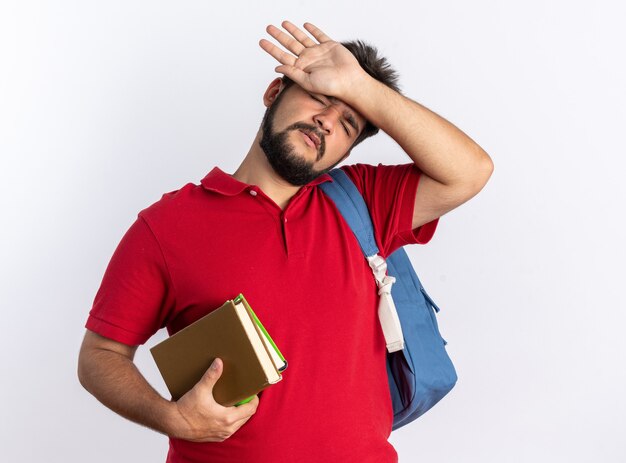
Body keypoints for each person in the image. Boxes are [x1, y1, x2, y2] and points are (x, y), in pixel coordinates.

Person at [78, 21, 493, 463]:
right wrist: (171, 418)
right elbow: (99, 356)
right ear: (274, 93)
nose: (327, 122)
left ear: (347, 152)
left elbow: (470, 171)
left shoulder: (365, 202)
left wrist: (358, 85)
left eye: (348, 123)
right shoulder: (165, 226)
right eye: (319, 98)